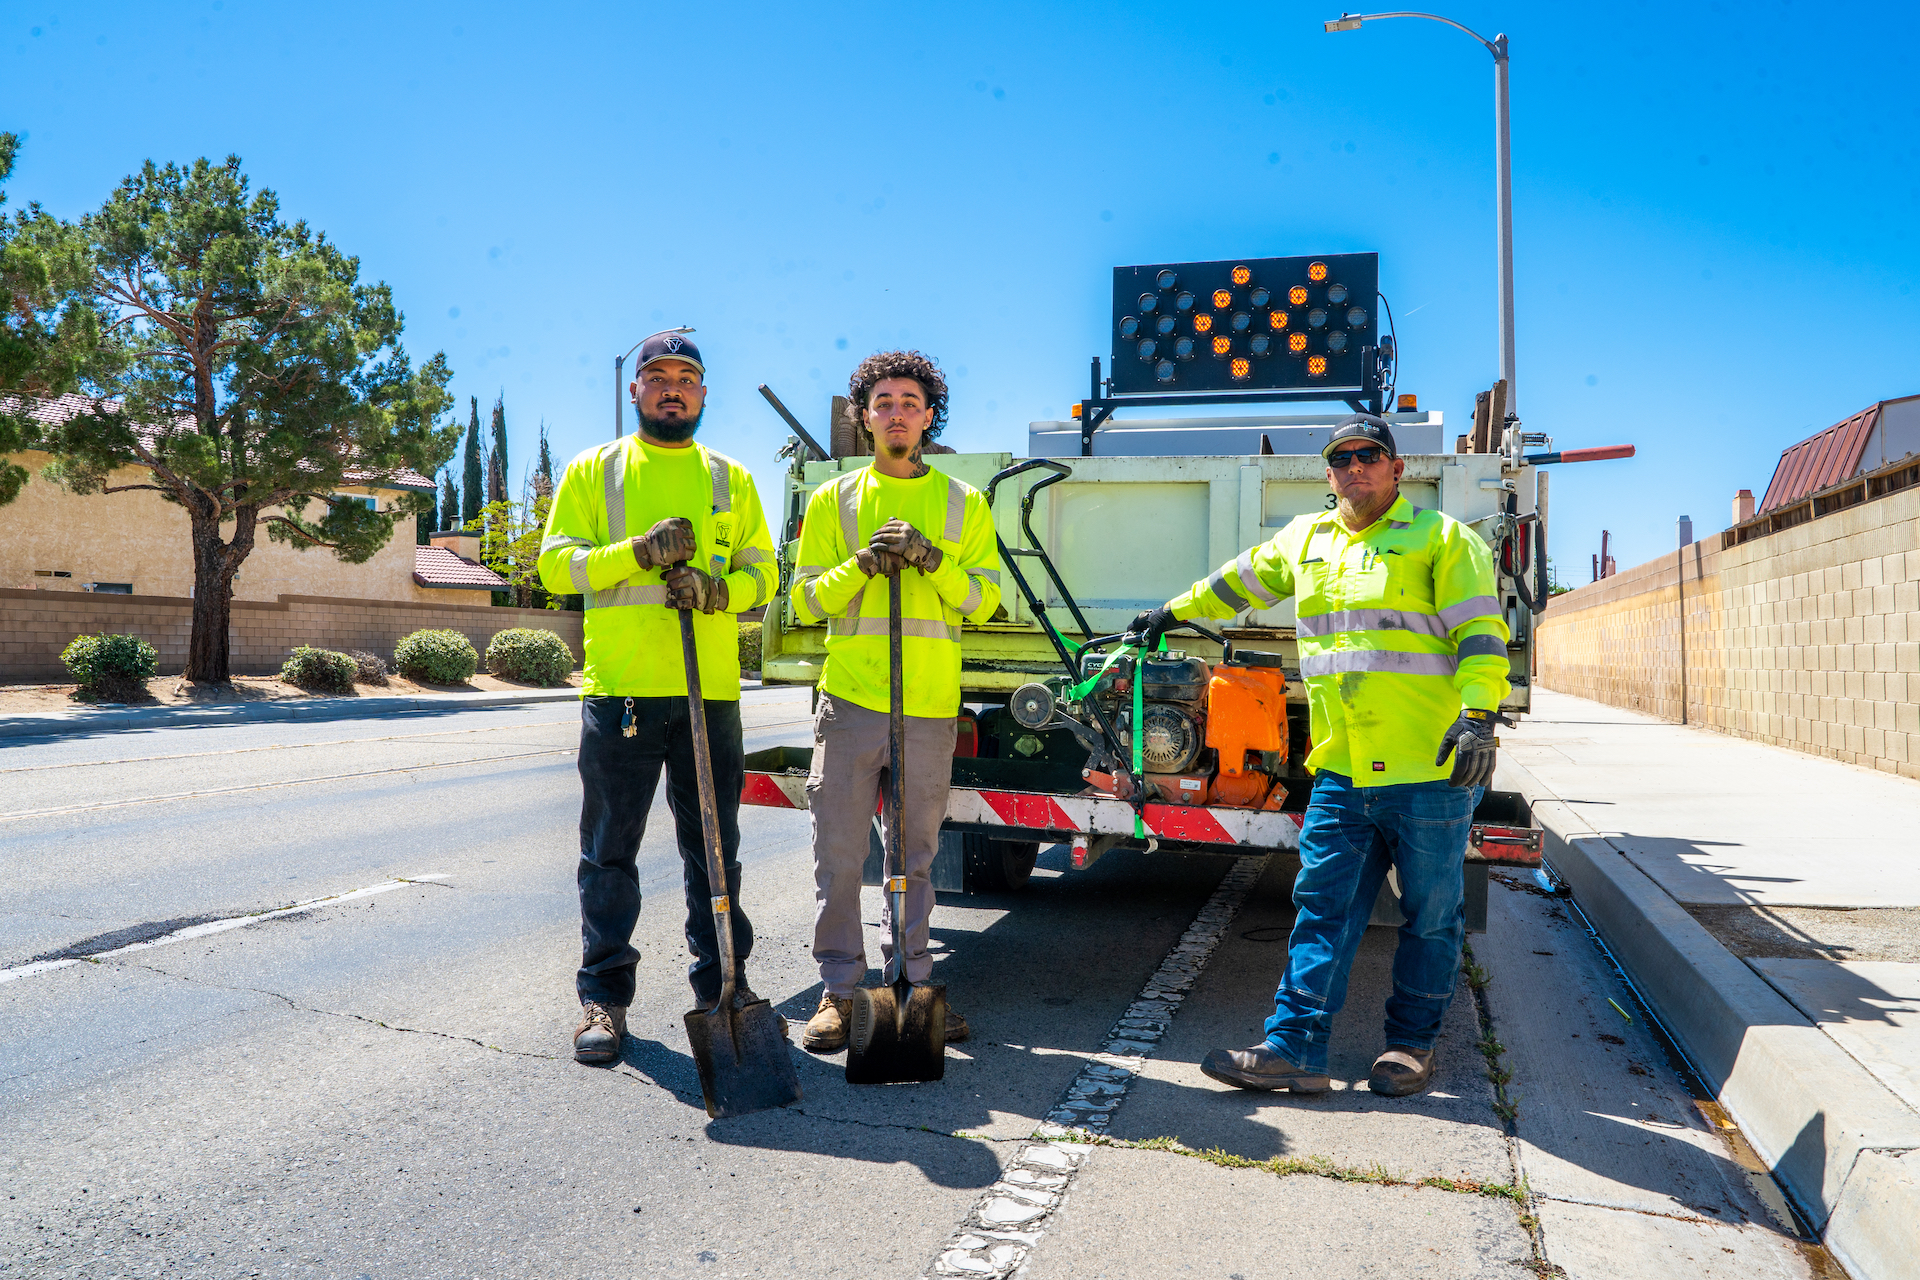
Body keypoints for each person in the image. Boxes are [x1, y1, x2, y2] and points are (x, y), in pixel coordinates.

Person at [1130, 414, 1511, 1097]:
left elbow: (1481, 633)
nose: (1355, 467)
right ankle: (1295, 1049)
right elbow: (1239, 581)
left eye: (1370, 455)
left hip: (1430, 768)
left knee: (1431, 916)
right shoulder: (1307, 538)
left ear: (1397, 469)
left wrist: (1480, 713)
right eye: (1342, 458)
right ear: (1328, 472)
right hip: (1342, 766)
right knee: (1322, 911)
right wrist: (1172, 610)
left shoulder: (1442, 539)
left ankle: (1410, 1048)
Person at [538, 331, 780, 1065]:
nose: (672, 387)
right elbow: (556, 568)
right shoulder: (595, 471)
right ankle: (603, 1001)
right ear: (635, 390)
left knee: (715, 853)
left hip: (708, 697)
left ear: (704, 394)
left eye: (687, 377)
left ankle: (722, 990)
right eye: (657, 376)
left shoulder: (730, 479)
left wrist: (717, 590)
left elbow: (766, 576)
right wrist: (637, 553)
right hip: (625, 694)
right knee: (609, 854)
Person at [789, 350, 1003, 1054]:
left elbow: (987, 598)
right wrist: (862, 566)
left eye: (910, 401)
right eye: (883, 402)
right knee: (841, 855)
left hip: (930, 705)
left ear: (929, 415)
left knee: (912, 860)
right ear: (865, 417)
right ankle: (841, 993)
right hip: (851, 701)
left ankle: (912, 988)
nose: (897, 413)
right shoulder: (834, 501)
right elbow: (805, 598)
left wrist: (932, 559)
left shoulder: (962, 504)